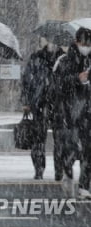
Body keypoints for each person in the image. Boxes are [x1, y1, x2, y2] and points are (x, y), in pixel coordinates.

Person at [53, 27, 91, 200]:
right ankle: (67, 174)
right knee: (70, 149)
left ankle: (84, 186)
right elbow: (58, 86)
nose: (87, 46)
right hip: (69, 113)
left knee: (88, 151)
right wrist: (77, 79)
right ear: (77, 42)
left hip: (87, 113)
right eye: (84, 43)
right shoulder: (64, 60)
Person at [21, 38, 66, 180]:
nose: (52, 43)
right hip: (39, 103)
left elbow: (69, 83)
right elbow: (26, 80)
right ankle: (39, 169)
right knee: (38, 139)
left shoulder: (64, 59)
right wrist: (26, 101)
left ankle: (59, 170)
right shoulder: (37, 57)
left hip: (59, 104)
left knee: (60, 140)